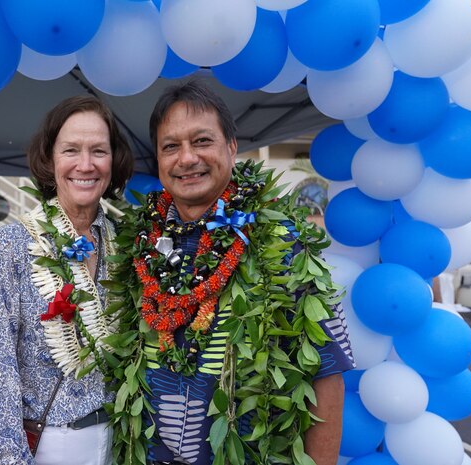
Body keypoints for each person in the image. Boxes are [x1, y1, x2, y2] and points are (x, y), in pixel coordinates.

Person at [109, 80, 355, 465]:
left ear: (232, 147)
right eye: (170, 146)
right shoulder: (137, 245)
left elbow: (326, 375)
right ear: (158, 160)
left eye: (202, 141)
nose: (186, 158)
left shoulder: (282, 242)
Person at [0, 95, 133, 465]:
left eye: (99, 151)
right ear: (50, 159)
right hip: (43, 447)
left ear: (114, 160)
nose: (85, 165)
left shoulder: (125, 245)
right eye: (71, 150)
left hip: (117, 444)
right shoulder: (11, 246)